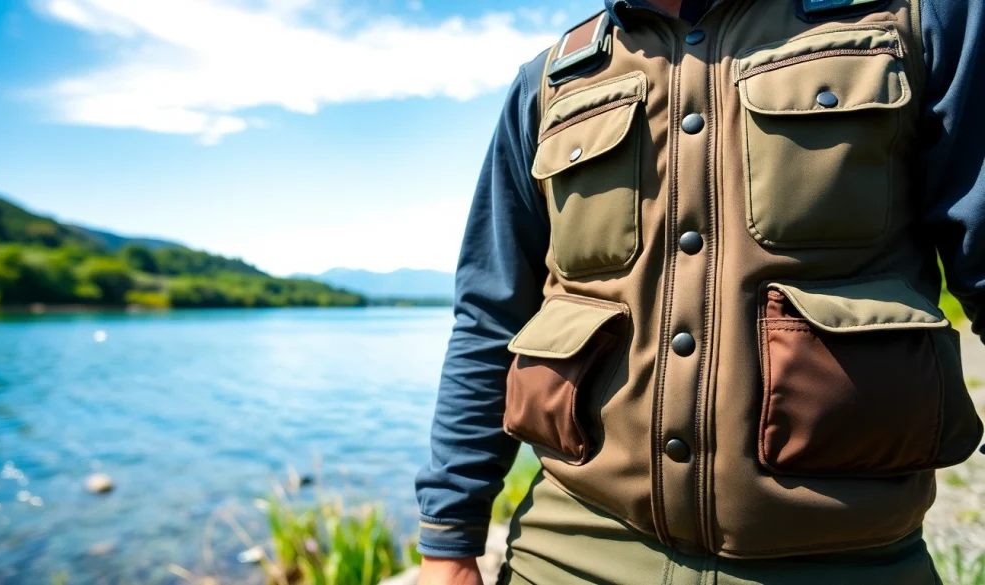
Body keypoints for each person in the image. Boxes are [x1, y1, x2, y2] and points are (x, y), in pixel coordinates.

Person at [415, 0, 985, 583]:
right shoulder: (548, 84)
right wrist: (447, 542)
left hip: (851, 561)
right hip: (564, 553)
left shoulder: (918, 21)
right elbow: (490, 318)